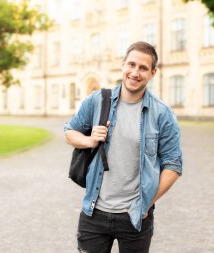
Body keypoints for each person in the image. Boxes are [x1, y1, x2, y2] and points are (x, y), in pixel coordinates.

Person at [64, 41, 183, 253]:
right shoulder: (98, 100)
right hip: (94, 212)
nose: (135, 72)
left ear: (153, 73)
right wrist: (90, 140)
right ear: (123, 64)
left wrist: (146, 203)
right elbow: (69, 132)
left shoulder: (162, 114)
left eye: (143, 68)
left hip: (135, 216)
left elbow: (173, 165)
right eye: (132, 65)